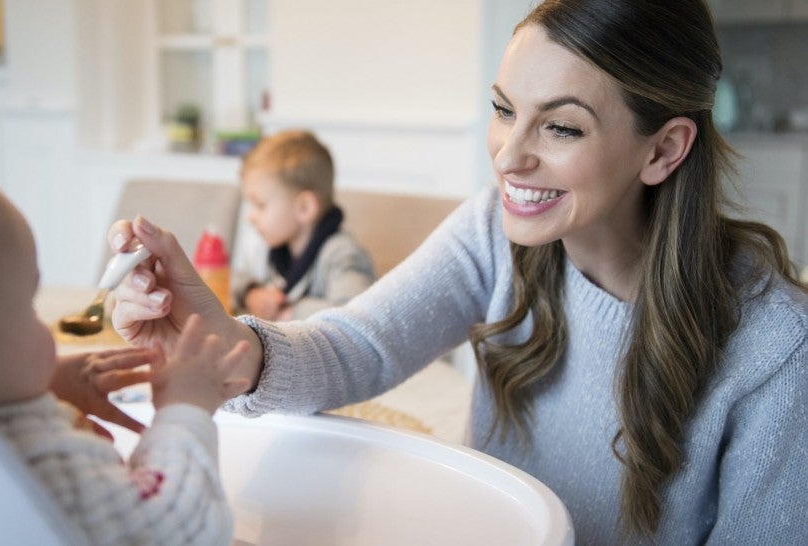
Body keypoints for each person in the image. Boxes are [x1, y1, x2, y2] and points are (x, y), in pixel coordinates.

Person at [107, 0, 808, 543]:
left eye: (561, 127)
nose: (508, 156)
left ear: (664, 150)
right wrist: (221, 342)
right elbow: (358, 345)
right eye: (504, 110)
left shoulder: (778, 348)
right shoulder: (492, 231)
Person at [0, 131, 251, 546]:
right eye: (30, 306)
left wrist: (44, 387)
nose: (45, 326)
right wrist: (185, 410)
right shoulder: (37, 467)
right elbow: (176, 527)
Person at [232, 129, 375, 320]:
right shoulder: (273, 247)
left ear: (304, 208)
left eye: (260, 205)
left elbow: (355, 314)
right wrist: (251, 293)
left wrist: (289, 312)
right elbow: (231, 278)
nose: (250, 217)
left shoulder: (343, 255)